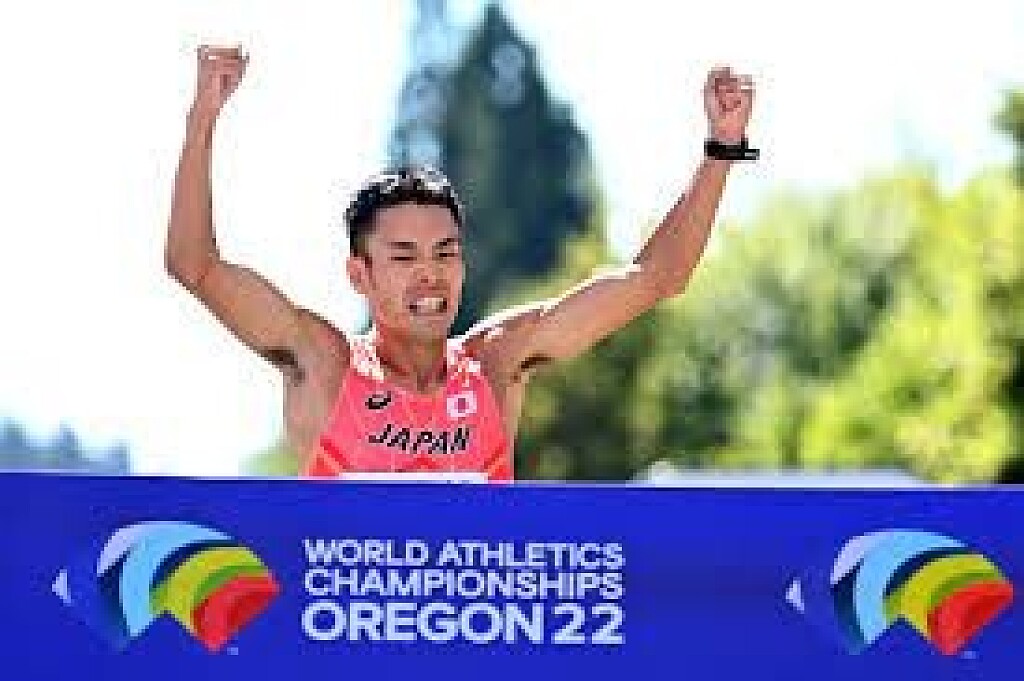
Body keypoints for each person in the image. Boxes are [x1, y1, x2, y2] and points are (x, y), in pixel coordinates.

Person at [165, 45, 756, 482]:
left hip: (475, 614)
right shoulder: (326, 365)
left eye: (445, 252)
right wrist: (201, 123)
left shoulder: (496, 361)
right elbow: (195, 267)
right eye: (404, 256)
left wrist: (721, 151)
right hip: (352, 615)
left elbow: (657, 278)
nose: (430, 273)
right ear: (360, 275)